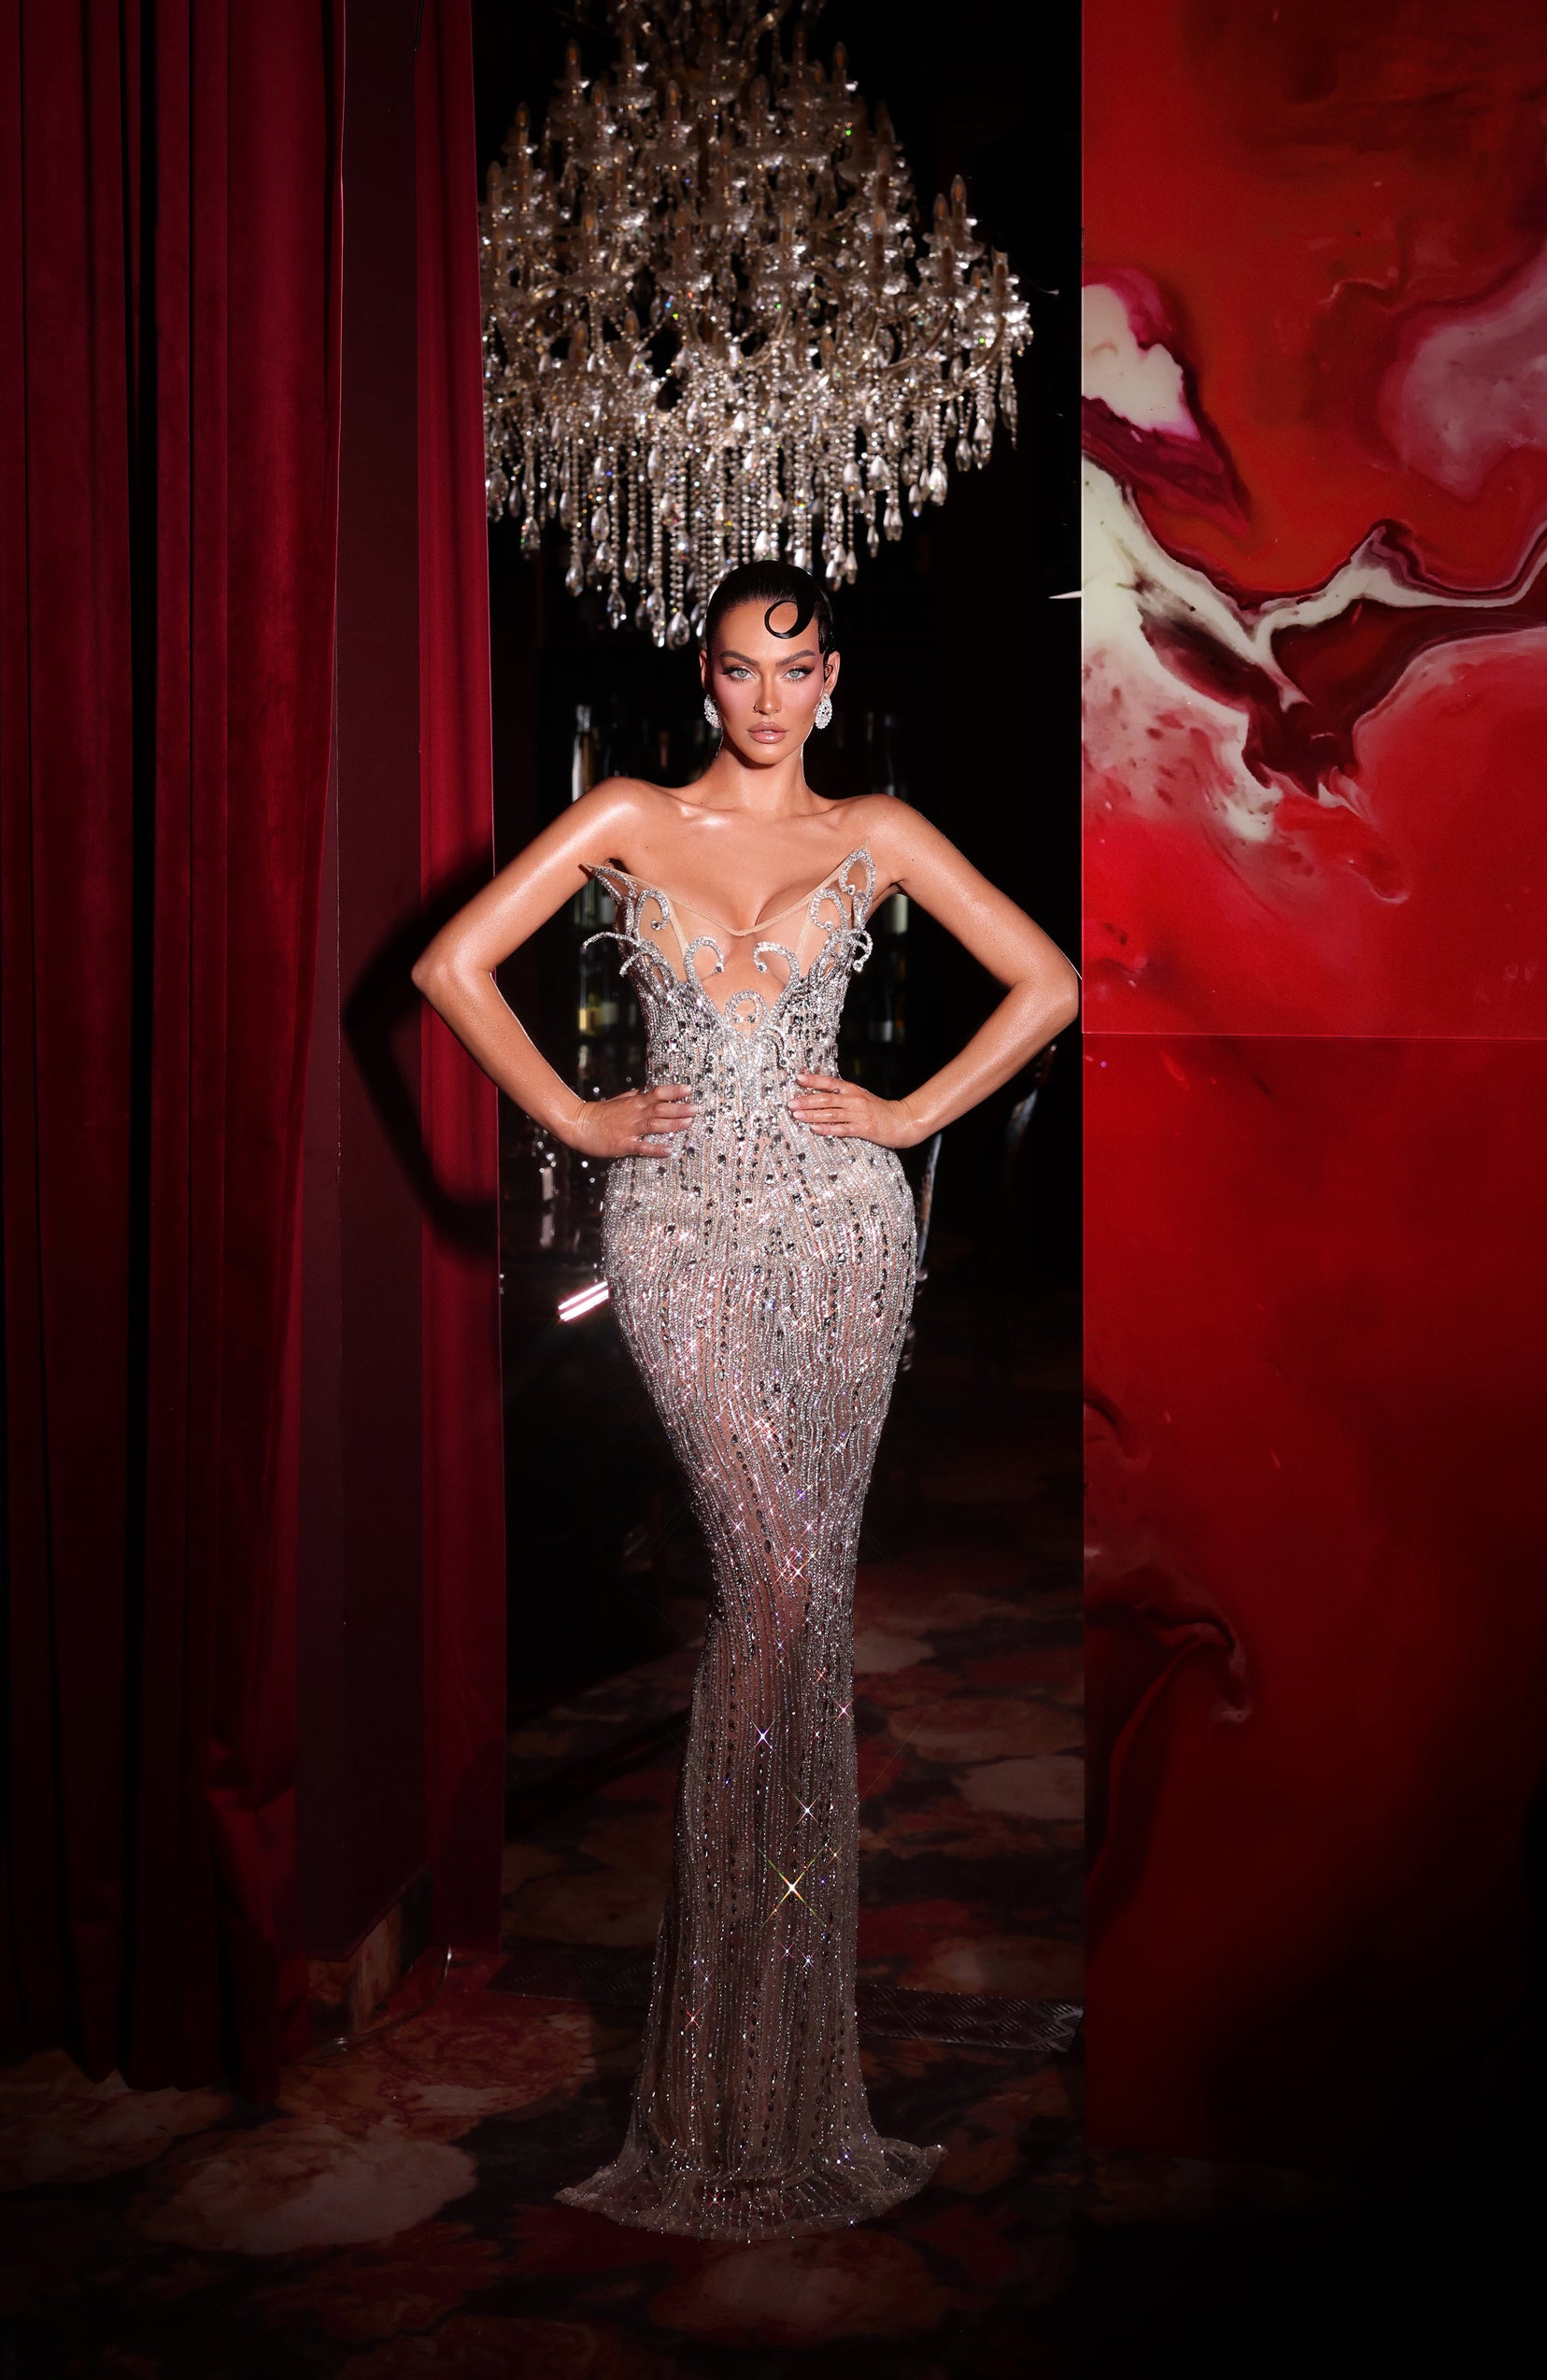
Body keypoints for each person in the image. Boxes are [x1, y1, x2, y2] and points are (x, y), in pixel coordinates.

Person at [412, 561, 1079, 2240]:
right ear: (702, 680)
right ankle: (720, 2083)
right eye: (734, 669)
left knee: (800, 1611)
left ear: (830, 679)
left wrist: (908, 1112)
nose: (765, 697)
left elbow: (1051, 982)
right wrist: (574, 1117)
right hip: (679, 1239)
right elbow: (449, 965)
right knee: (768, 1592)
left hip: (843, 1239)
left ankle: (779, 2083)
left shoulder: (878, 830)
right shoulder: (631, 816)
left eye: (792, 669)